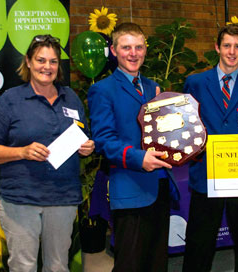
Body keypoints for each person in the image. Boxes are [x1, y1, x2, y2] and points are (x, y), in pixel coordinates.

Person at [0, 34, 95, 271]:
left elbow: (83, 134)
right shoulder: (11, 100)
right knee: (23, 266)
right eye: (41, 60)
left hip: (63, 198)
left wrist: (87, 147)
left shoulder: (70, 98)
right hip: (20, 200)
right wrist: (22, 151)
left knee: (58, 265)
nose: (47, 67)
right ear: (28, 62)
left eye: (53, 61)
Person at [87, 22, 179, 272]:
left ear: (145, 50)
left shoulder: (152, 87)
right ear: (114, 51)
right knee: (130, 263)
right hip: (128, 187)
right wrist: (140, 159)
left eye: (139, 47)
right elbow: (104, 140)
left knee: (157, 262)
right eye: (126, 47)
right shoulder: (102, 90)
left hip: (159, 185)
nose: (133, 53)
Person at [182, 23, 238, 272]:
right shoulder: (195, 83)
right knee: (199, 245)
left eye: (237, 46)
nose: (232, 51)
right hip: (206, 176)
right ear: (217, 48)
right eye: (227, 45)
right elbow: (186, 128)